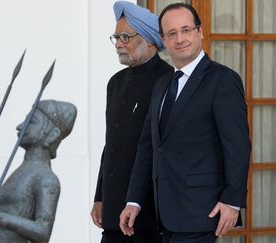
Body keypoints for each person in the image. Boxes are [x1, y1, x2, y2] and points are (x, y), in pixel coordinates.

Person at [119, 3, 250, 243]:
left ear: (199, 32)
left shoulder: (223, 80)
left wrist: (232, 200)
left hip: (202, 213)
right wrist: (134, 200)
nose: (180, 38)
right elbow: (148, 146)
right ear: (163, 39)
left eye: (186, 30)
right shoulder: (162, 84)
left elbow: (237, 146)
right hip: (164, 215)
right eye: (172, 33)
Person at [91, 1, 172, 243]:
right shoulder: (115, 82)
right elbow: (111, 145)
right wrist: (100, 196)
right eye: (116, 37)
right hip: (114, 209)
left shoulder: (168, 80)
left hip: (150, 215)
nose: (118, 44)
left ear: (148, 39)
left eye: (125, 36)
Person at [0, 100, 77, 243]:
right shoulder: (20, 172)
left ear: (52, 134)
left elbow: (43, 231)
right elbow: (7, 230)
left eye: (31, 121)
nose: (20, 126)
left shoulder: (46, 179)